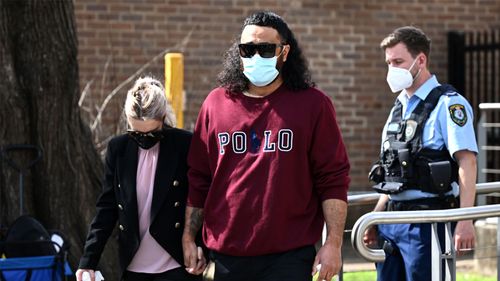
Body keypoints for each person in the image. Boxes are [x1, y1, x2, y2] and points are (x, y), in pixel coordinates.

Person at [182, 11, 350, 281]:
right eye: (248, 49)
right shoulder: (215, 104)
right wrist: (189, 238)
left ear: (284, 52)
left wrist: (333, 244)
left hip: (289, 256)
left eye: (265, 49)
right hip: (227, 254)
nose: (255, 57)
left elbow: (333, 178)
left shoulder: (313, 105)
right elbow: (199, 177)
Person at [364, 26, 478, 281]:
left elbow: (467, 162)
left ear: (421, 60)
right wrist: (375, 215)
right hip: (392, 221)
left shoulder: (448, 104)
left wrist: (465, 219)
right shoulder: (398, 109)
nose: (392, 69)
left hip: (428, 222)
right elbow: (392, 171)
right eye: (388, 63)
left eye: (398, 61)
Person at [76, 77, 206, 281]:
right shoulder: (118, 149)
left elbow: (198, 198)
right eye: (136, 133)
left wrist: (200, 248)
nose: (145, 140)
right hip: (133, 265)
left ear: (163, 118)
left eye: (152, 134)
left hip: (175, 264)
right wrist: (88, 261)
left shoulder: (184, 144)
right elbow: (107, 208)